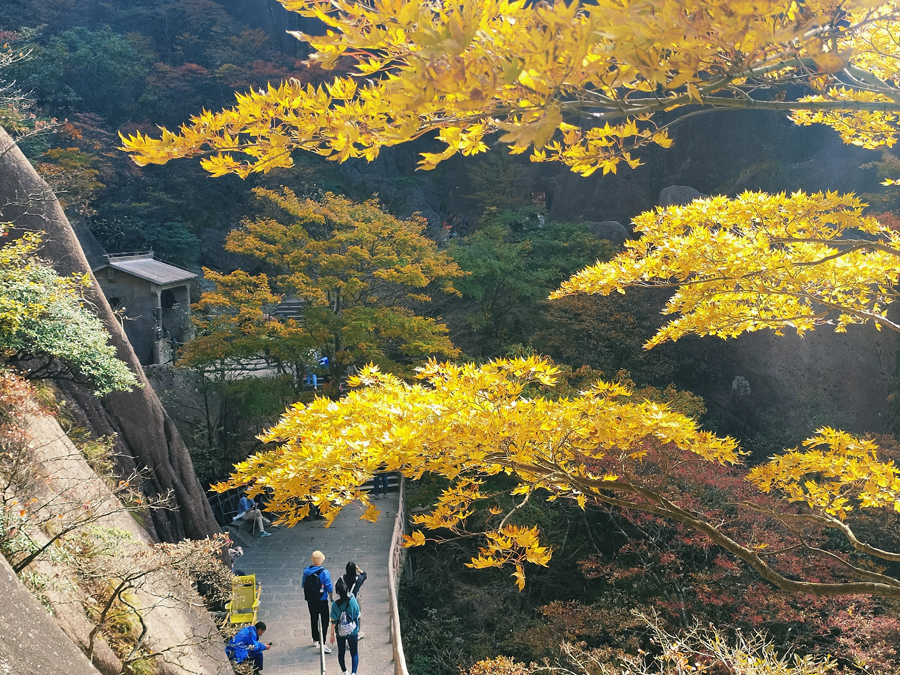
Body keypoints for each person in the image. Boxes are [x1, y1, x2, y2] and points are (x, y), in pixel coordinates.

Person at [302, 550, 334, 653]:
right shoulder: (324, 572)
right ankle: (322, 642)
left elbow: (303, 584)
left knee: (313, 618)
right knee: (324, 621)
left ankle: (315, 639)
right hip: (321, 600)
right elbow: (328, 586)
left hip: (310, 600)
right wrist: (331, 596)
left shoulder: (306, 571)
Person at [329, 578, 361, 675]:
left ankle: (345, 671)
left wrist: (331, 634)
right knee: (354, 653)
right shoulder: (352, 600)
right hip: (353, 631)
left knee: (341, 653)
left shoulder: (335, 605)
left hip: (340, 632)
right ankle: (353, 673)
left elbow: (333, 621)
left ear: (337, 592)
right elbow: (357, 614)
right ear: (347, 590)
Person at [341, 561, 368, 639]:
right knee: (357, 614)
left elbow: (337, 587)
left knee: (346, 615)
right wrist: (359, 570)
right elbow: (364, 575)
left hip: (344, 600)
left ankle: (347, 629)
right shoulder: (358, 579)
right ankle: (357, 631)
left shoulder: (342, 579)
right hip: (355, 599)